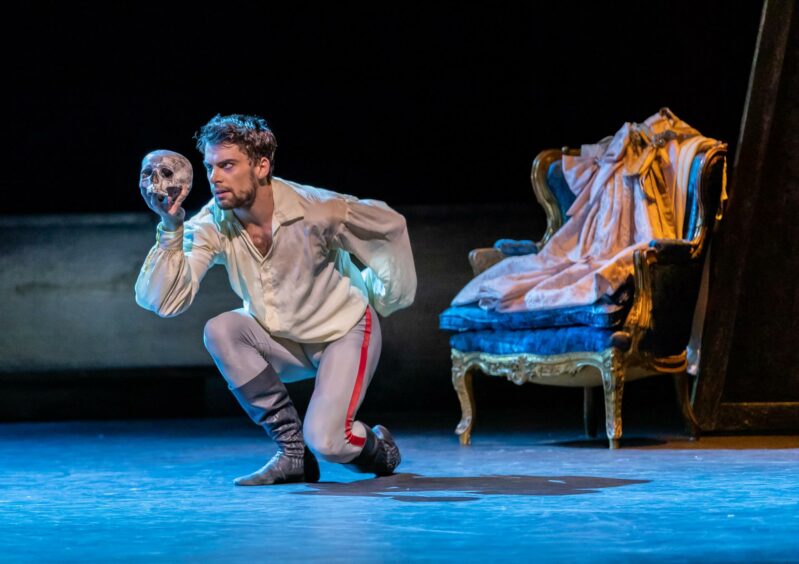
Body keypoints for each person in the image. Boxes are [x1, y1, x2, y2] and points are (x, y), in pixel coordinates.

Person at [135, 113, 417, 486]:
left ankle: (380, 452)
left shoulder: (317, 209)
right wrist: (171, 228)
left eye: (228, 165)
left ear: (262, 165)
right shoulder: (214, 221)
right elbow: (165, 301)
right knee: (221, 330)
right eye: (210, 167)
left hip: (342, 334)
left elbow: (389, 226)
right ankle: (293, 453)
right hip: (283, 341)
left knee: (328, 440)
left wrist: (384, 297)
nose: (215, 177)